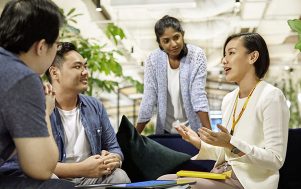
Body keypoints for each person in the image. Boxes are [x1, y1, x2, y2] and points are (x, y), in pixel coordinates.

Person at [159, 32, 290, 189]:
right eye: (224, 54)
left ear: (252, 57)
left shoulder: (271, 96)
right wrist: (199, 143)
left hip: (248, 182)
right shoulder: (229, 99)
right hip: (221, 175)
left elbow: (275, 159)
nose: (224, 60)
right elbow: (227, 151)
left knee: (183, 186)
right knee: (164, 180)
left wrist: (231, 144)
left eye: (232, 53)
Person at [0, 0, 75, 188]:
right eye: (56, 45)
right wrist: (45, 111)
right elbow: (41, 168)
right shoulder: (22, 77)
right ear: (41, 46)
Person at [44, 42, 130, 186]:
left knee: (119, 176)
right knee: (51, 182)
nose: (85, 72)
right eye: (77, 67)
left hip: (91, 178)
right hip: (58, 178)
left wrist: (114, 159)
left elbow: (114, 147)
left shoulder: (94, 106)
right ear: (54, 72)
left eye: (85, 66)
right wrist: (82, 169)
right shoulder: (40, 107)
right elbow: (39, 166)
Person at [136, 15, 211, 134]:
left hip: (193, 131)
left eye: (176, 37)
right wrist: (135, 135)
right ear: (160, 43)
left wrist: (209, 133)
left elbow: (198, 95)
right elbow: (149, 98)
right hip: (165, 131)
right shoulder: (153, 59)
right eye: (166, 41)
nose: (173, 44)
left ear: (183, 35)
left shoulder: (197, 55)